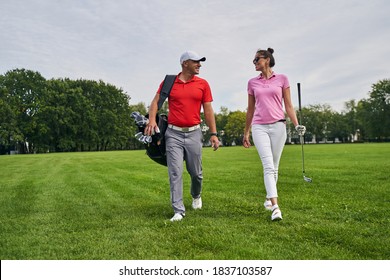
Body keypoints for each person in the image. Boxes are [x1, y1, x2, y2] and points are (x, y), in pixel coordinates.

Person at [145, 50, 219, 222]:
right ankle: (178, 210)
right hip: (173, 134)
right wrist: (151, 121)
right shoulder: (169, 82)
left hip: (194, 133)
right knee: (175, 172)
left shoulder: (203, 84)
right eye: (196, 62)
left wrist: (214, 133)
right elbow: (155, 102)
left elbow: (208, 110)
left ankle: (196, 195)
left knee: (196, 173)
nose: (199, 65)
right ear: (185, 63)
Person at [243, 48, 306, 221]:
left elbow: (289, 106)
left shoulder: (282, 79)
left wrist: (297, 125)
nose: (254, 63)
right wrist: (246, 132)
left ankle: (268, 199)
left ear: (267, 60)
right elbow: (250, 109)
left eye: (257, 59)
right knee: (268, 166)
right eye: (253, 60)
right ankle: (276, 207)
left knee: (275, 166)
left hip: (279, 126)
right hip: (259, 127)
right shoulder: (252, 83)